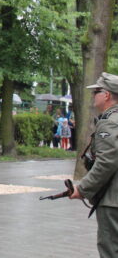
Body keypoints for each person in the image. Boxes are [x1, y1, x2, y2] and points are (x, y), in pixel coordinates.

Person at [70, 72, 118, 257]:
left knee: (110, 250)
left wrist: (82, 188)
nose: (93, 96)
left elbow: (107, 161)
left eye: (96, 91)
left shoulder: (109, 123)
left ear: (106, 95)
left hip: (113, 201)